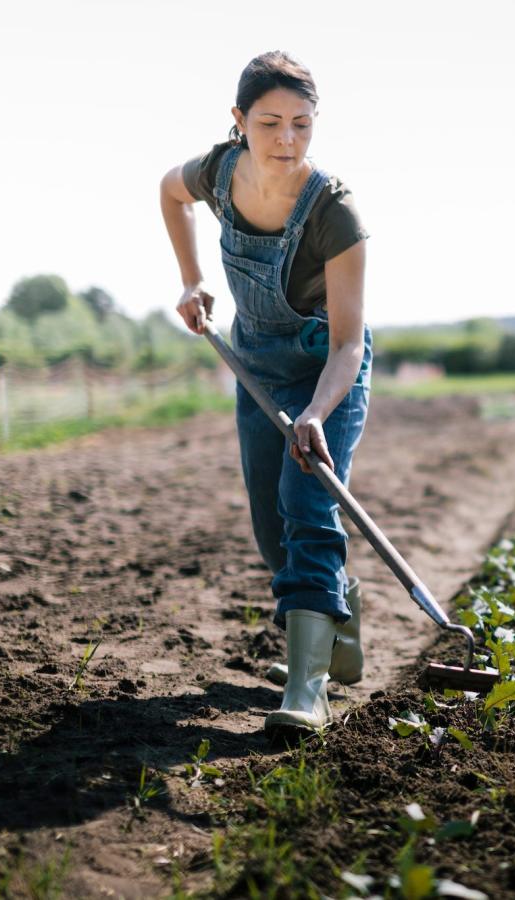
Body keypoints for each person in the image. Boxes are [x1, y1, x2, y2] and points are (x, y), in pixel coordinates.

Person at [160, 51, 371, 737]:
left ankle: (307, 692)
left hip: (324, 375)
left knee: (306, 503)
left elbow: (347, 345)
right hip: (257, 367)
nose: (287, 140)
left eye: (303, 125)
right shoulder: (219, 173)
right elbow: (169, 191)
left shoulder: (335, 214)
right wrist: (192, 279)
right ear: (239, 121)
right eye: (271, 123)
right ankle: (337, 605)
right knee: (271, 528)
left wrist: (315, 413)